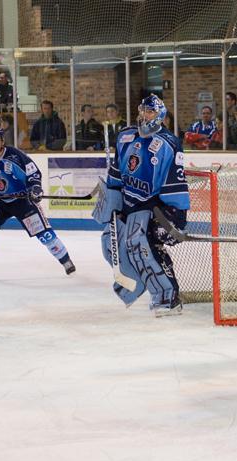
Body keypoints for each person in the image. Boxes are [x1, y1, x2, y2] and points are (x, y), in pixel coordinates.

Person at [91, 94, 190, 316]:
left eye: (150, 112)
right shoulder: (125, 136)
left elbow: (176, 184)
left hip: (150, 206)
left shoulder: (169, 144)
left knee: (139, 243)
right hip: (127, 202)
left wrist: (176, 219)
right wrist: (110, 205)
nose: (145, 116)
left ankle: (167, 296)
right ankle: (133, 283)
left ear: (161, 116)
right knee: (109, 242)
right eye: (143, 111)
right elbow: (115, 176)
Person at [0, 126, 76, 280]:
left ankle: (66, 261)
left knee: (44, 235)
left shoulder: (15, 156)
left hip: (22, 200)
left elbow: (34, 173)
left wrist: (35, 187)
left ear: (2, 141)